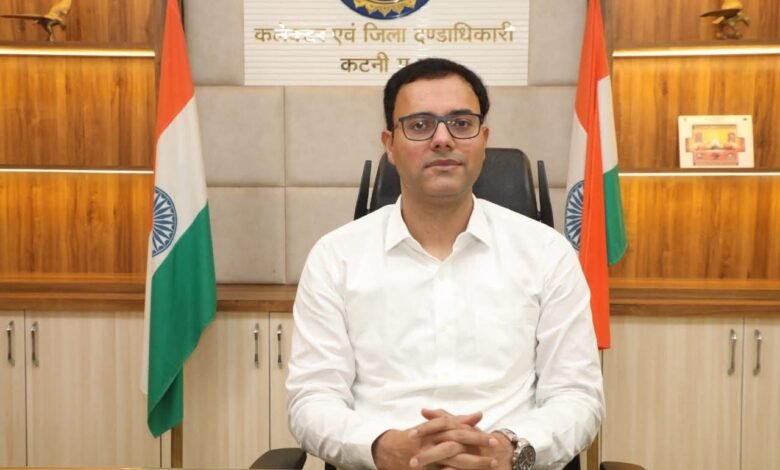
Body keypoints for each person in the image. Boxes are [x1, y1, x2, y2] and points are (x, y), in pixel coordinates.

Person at [286, 58, 604, 470]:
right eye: (420, 125)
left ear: (483, 139)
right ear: (389, 144)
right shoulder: (336, 258)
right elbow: (312, 398)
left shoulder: (546, 253)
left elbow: (578, 396)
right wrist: (382, 447)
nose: (442, 139)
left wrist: (508, 450)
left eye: (461, 123)